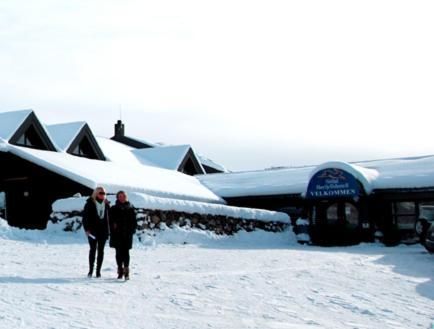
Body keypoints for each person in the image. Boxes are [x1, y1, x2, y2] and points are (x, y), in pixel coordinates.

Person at [82, 187, 110, 278]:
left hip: (103, 231)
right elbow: (85, 218)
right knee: (93, 250)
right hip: (92, 231)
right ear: (96, 193)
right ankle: (90, 270)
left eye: (104, 193)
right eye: (101, 193)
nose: (103, 195)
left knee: (101, 251)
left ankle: (98, 271)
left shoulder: (106, 204)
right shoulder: (90, 203)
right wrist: (86, 229)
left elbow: (110, 217)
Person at [109, 191, 137, 280]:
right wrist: (113, 228)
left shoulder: (130, 208)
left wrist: (132, 230)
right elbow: (110, 221)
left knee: (126, 253)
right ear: (117, 197)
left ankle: (126, 272)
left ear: (126, 197)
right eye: (120, 196)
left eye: (123, 196)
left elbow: (134, 222)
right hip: (117, 234)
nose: (122, 197)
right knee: (118, 253)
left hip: (127, 234)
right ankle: (120, 271)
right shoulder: (113, 208)